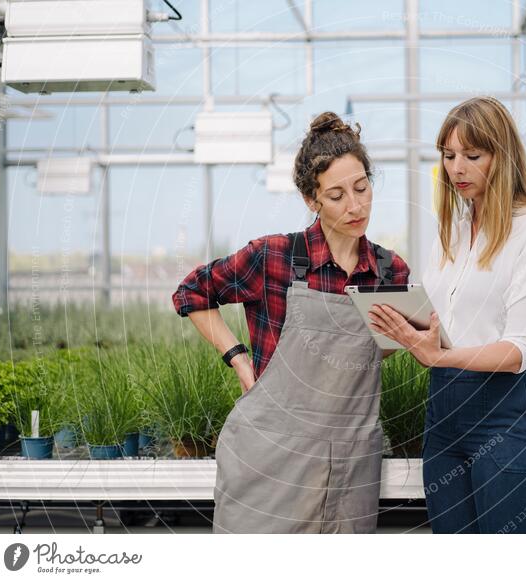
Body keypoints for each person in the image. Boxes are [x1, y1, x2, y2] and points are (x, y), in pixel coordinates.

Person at [172, 112, 410, 533]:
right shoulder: (274, 257)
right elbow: (192, 292)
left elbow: (383, 354)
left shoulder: (391, 273)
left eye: (361, 187)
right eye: (336, 195)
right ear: (310, 200)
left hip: (350, 469)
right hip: (270, 460)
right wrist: (239, 360)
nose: (355, 206)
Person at [368, 96, 526, 534]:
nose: (457, 168)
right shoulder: (451, 234)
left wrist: (437, 356)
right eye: (449, 155)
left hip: (511, 415)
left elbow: (518, 351)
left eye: (472, 156)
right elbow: (446, 323)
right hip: (445, 415)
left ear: (503, 157)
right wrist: (403, 329)